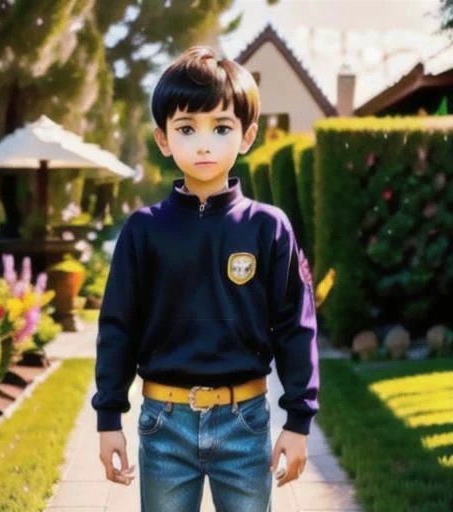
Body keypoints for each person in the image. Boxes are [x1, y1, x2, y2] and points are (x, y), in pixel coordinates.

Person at [91, 45, 320, 512]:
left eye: (220, 128)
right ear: (162, 138)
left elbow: (295, 327)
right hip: (163, 425)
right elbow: (118, 327)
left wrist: (298, 421)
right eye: (186, 128)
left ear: (247, 135)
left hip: (246, 423)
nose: (203, 143)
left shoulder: (268, 227)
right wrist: (108, 416)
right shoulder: (144, 230)